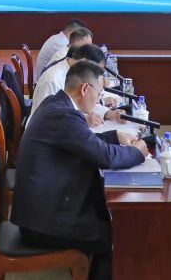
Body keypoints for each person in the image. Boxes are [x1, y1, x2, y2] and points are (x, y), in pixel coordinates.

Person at [11, 60, 150, 280]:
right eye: (99, 93)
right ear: (85, 88)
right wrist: (138, 152)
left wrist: (115, 136)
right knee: (117, 236)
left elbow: (83, 141)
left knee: (105, 214)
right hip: (43, 222)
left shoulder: (55, 104)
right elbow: (106, 157)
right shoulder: (64, 115)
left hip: (41, 207)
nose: (98, 99)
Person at [30, 44, 124, 125]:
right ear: (84, 62)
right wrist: (83, 119)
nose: (96, 76)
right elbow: (50, 118)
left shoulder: (72, 71)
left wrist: (108, 114)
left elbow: (81, 101)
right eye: (95, 71)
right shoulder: (52, 80)